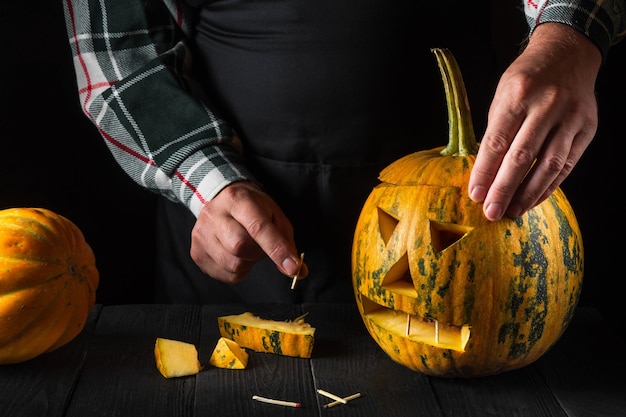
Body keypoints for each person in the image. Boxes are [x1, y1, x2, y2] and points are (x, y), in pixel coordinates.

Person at [63, 0, 625, 304]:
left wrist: (569, 35)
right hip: (231, 232)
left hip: (478, 223)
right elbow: (120, 59)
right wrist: (207, 182)